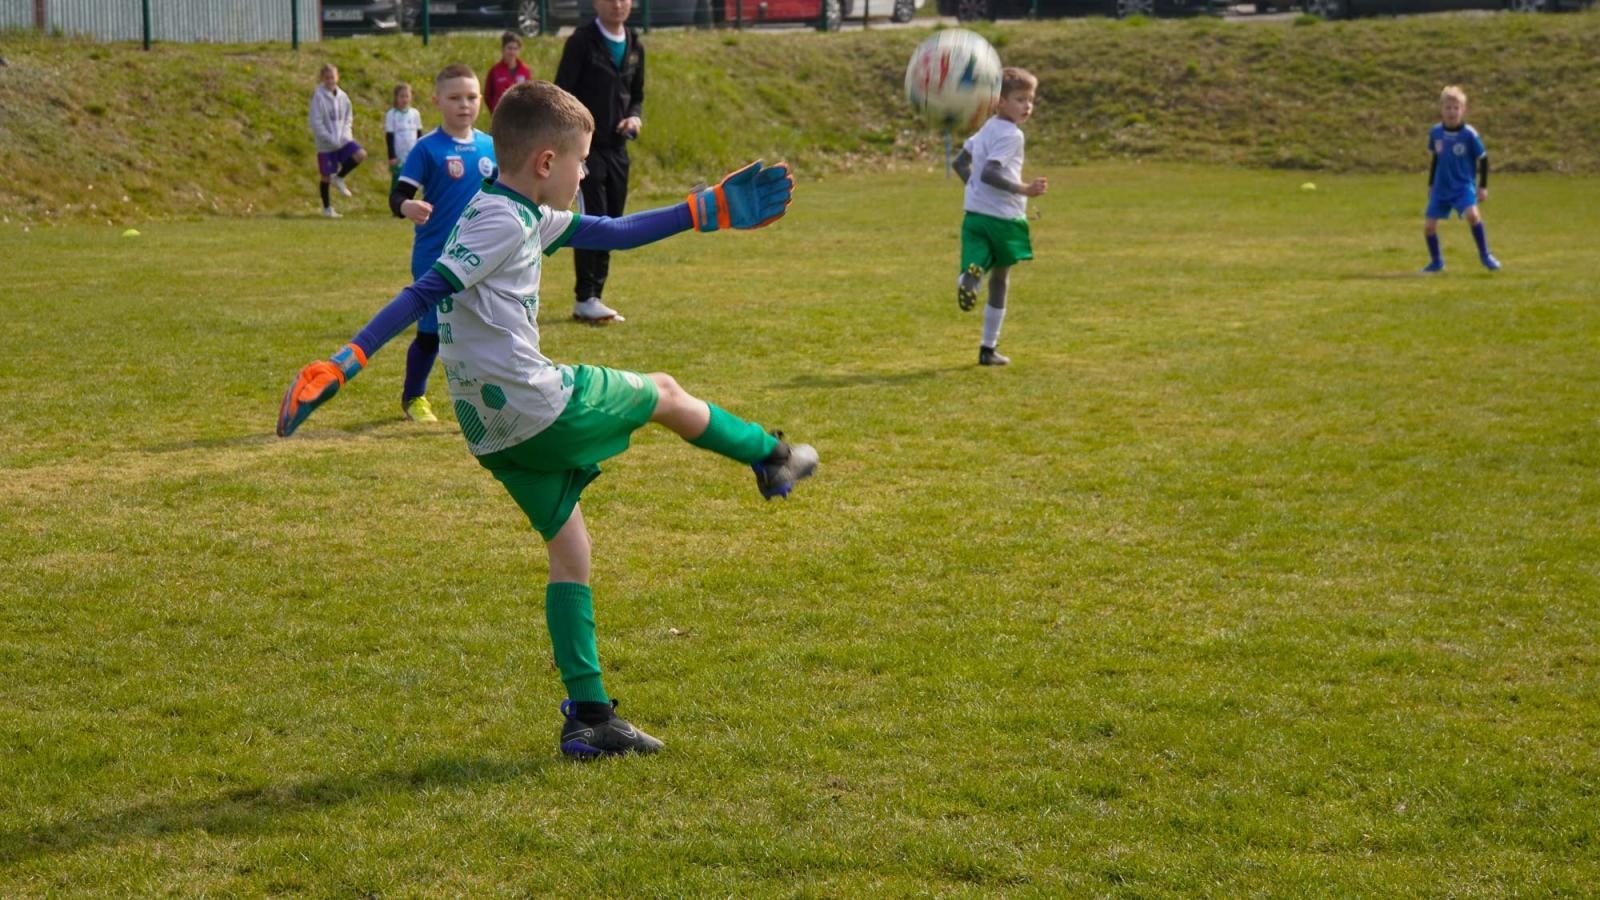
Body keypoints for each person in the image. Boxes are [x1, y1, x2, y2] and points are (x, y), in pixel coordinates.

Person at [276, 80, 812, 759]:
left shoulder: (510, 209)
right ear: (546, 164)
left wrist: (705, 209)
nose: (587, 172)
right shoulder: (502, 222)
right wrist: (347, 360)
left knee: (571, 552)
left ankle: (589, 719)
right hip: (535, 403)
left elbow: (615, 230)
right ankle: (770, 458)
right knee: (666, 391)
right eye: (582, 160)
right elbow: (426, 290)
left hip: (489, 431)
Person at [388, 64, 497, 424]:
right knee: (432, 332)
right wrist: (408, 206)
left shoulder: (491, 147)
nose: (464, 105)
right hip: (435, 256)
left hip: (483, 257)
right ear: (437, 101)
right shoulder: (426, 148)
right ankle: (414, 397)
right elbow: (398, 194)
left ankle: (488, 400)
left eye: (471, 97)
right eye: (454, 98)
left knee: (483, 330)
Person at [555, 0, 645, 325]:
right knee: (593, 219)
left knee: (613, 222)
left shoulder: (635, 45)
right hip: (586, 150)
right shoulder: (581, 41)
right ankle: (585, 297)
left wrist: (634, 118)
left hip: (618, 149)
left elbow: (637, 96)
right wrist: (573, 142)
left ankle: (597, 295)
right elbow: (561, 94)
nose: (618, 4)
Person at [951, 67, 1048, 368]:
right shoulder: (1011, 136)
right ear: (999, 102)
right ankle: (988, 347)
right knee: (1001, 279)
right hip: (1003, 218)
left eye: (1030, 99)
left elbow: (959, 162)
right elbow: (991, 172)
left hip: (974, 215)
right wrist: (1025, 189)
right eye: (1019, 99)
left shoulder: (987, 128)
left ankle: (968, 277)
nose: (1027, 106)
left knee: (977, 265)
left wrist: (973, 187)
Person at [1423, 85, 1500, 273]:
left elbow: (1483, 159)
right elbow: (1436, 159)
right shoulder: (1436, 133)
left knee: (1473, 216)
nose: (1451, 112)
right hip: (1441, 187)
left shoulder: (1469, 134)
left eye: (1456, 108)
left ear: (1463, 110)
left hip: (1463, 185)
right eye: (1448, 108)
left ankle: (1485, 254)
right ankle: (1436, 262)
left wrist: (1482, 186)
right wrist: (1431, 183)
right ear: (1441, 109)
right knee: (1429, 227)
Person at [308, 63, 366, 219]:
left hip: (342, 140)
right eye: (326, 77)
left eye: (332, 77)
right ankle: (327, 209)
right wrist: (328, 137)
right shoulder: (318, 97)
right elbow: (316, 122)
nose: (330, 80)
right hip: (326, 144)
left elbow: (348, 117)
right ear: (322, 78)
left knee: (360, 154)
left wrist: (346, 134)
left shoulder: (343, 97)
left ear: (337, 77)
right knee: (325, 175)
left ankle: (339, 177)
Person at [383, 82, 423, 197]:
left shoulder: (415, 113)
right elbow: (389, 136)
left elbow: (419, 133)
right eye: (401, 96)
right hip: (399, 153)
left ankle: (409, 201)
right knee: (398, 178)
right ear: (396, 97)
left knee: (413, 178)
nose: (404, 99)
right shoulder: (392, 114)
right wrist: (391, 156)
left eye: (407, 96)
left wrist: (420, 152)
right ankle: (395, 202)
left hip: (412, 151)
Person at [485, 31, 532, 113]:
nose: (512, 52)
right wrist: (494, 111)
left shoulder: (525, 70)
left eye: (515, 49)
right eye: (509, 48)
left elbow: (529, 94)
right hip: (500, 114)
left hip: (519, 115)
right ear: (503, 49)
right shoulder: (495, 71)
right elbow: (488, 95)